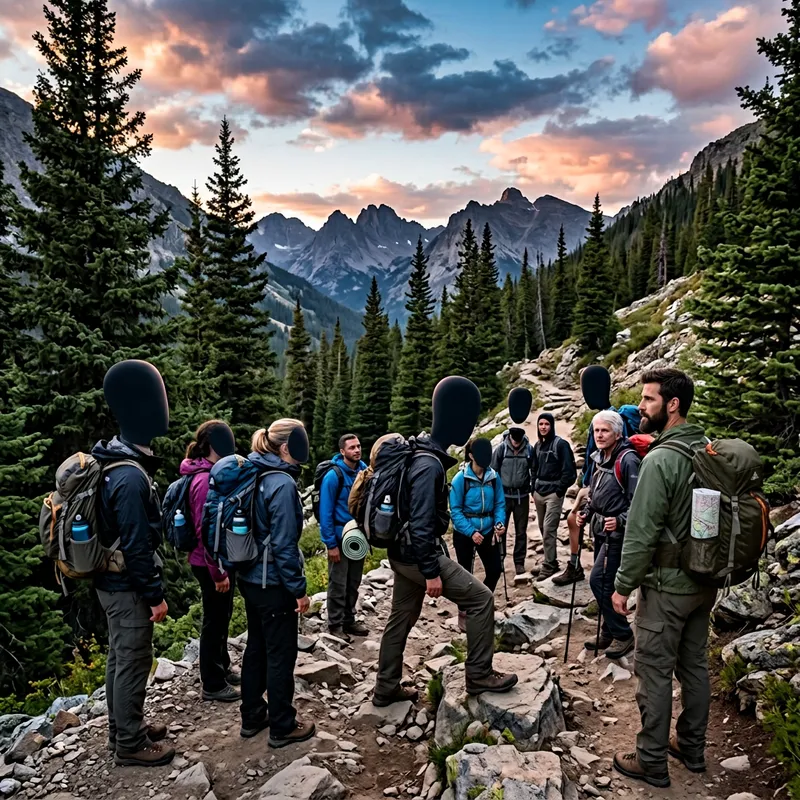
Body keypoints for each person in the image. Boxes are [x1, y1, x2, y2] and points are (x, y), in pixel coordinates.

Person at [373, 377, 518, 706]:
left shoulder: (418, 452)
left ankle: (385, 687)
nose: (472, 424)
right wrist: (431, 572)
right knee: (481, 600)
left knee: (402, 617)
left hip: (401, 551)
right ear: (454, 417)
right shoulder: (429, 465)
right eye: (470, 416)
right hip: (416, 555)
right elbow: (423, 523)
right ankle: (479, 674)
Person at [611, 369, 716, 789]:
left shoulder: (660, 459)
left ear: (672, 405)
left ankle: (651, 760)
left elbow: (641, 532)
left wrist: (622, 585)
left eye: (649, 399)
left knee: (653, 670)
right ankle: (691, 748)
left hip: (667, 586)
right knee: (693, 665)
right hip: (704, 580)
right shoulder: (707, 449)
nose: (641, 406)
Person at [94, 360, 175, 768]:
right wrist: (154, 595)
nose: (164, 407)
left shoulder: (117, 464)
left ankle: (122, 728)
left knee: (118, 657)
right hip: (126, 585)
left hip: (112, 583)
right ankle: (129, 743)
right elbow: (137, 544)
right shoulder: (128, 476)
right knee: (133, 660)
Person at [239, 419, 316, 749]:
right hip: (273, 583)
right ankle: (282, 725)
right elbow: (284, 544)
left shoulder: (252, 471)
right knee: (281, 654)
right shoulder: (282, 484)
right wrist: (298, 589)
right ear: (286, 447)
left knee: (256, 647)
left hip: (249, 577)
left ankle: (252, 714)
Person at [180, 420, 240, 702]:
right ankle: (212, 683)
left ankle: (222, 667)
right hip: (209, 563)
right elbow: (206, 532)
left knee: (222, 615)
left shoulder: (209, 473)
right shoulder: (204, 481)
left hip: (215, 560)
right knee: (214, 620)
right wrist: (218, 573)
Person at [578, 410, 640, 659]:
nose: (599, 435)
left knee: (599, 581)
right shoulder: (599, 457)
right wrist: (586, 511)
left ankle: (623, 635)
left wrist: (621, 520)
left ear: (617, 432)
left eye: (604, 430)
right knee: (608, 581)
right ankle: (608, 631)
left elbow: (638, 501)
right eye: (596, 431)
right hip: (600, 529)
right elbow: (596, 493)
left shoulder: (628, 459)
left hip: (618, 533)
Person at [450, 439, 506, 631]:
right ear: (471, 456)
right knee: (465, 574)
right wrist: (471, 532)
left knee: (495, 569)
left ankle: (480, 601)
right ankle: (464, 612)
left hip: (488, 528)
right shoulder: (461, 479)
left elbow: (499, 503)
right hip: (465, 532)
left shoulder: (493, 477)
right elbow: (455, 511)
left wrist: (500, 523)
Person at [320, 434, 368, 640]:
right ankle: (335, 625)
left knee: (354, 581)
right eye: (351, 448)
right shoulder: (333, 476)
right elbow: (325, 512)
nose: (356, 450)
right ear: (342, 452)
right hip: (340, 538)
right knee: (338, 582)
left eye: (358, 446)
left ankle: (349, 620)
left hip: (359, 537)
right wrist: (331, 544)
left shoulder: (365, 472)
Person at [531, 413, 577, 581]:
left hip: (553, 494)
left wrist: (559, 490)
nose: (543, 427)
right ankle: (550, 560)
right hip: (539, 492)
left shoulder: (560, 445)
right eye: (540, 424)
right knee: (543, 528)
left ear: (552, 426)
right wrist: (532, 488)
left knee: (549, 528)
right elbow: (534, 468)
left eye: (546, 424)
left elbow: (569, 471)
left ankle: (549, 565)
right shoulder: (537, 446)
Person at [491, 427, 535, 577]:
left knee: (521, 531)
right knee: (500, 529)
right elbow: (493, 471)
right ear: (509, 437)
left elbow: (533, 470)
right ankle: (499, 560)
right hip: (503, 496)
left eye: (519, 440)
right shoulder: (501, 449)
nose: (516, 443)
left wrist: (532, 488)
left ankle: (519, 562)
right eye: (514, 440)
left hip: (522, 496)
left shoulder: (529, 450)